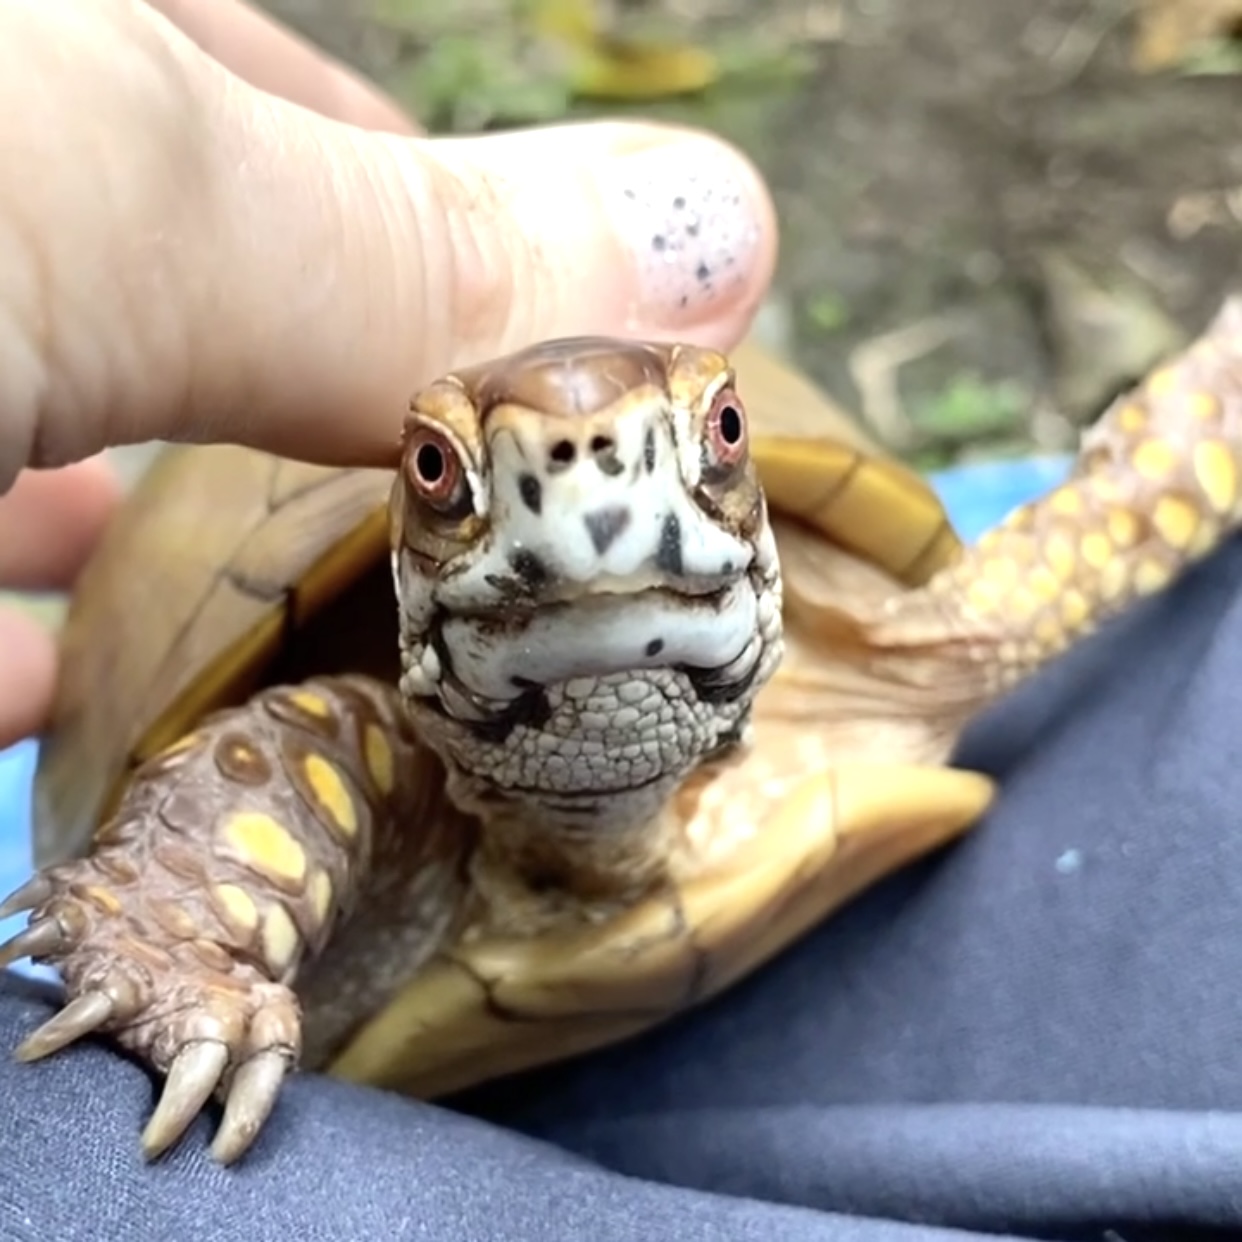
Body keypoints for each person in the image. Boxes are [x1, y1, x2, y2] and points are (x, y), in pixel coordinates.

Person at [3, 3, 1242, 1239]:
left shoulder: (893, 655)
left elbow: (1150, 485)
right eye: (444, 481)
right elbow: (268, 779)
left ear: (750, 497)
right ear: (411, 557)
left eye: (712, 445)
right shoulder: (361, 778)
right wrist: (169, 933)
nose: (589, 512)